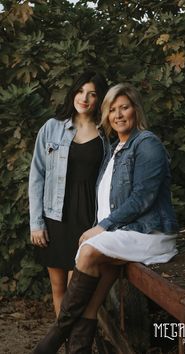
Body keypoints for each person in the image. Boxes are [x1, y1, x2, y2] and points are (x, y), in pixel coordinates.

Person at [32, 83, 179, 354]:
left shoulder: (147, 144)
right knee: (95, 287)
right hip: (126, 232)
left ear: (136, 109)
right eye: (112, 109)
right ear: (106, 114)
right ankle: (79, 348)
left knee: (87, 252)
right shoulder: (114, 149)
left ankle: (55, 336)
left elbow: (142, 198)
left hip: (149, 233)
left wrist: (102, 228)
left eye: (124, 107)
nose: (119, 114)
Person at [29, 70, 108, 317]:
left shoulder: (107, 133)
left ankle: (74, 343)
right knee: (58, 289)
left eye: (92, 94)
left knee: (78, 293)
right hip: (55, 217)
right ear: (73, 92)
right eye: (80, 91)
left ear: (99, 99)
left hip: (88, 219)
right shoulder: (51, 128)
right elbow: (37, 176)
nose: (84, 98)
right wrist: (36, 224)